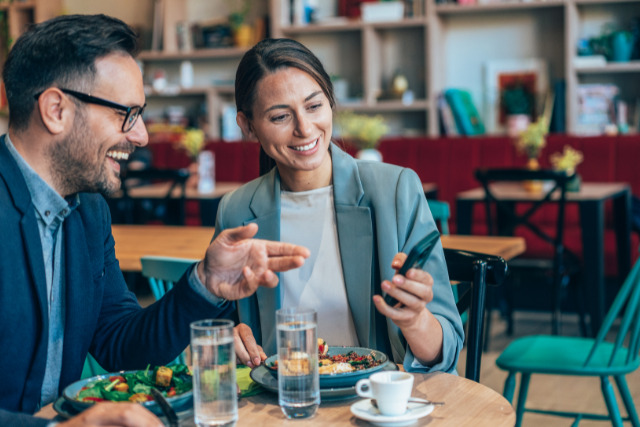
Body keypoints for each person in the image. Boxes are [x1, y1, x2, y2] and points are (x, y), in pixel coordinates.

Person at [0, 15, 309, 427]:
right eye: (126, 113)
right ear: (56, 110)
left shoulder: (88, 212)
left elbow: (121, 343)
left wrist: (203, 282)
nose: (142, 135)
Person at [214, 38, 464, 373]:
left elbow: (445, 352)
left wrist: (416, 319)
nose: (305, 129)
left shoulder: (395, 190)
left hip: (375, 404)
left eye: (314, 106)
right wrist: (229, 339)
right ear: (247, 126)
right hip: (286, 404)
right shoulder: (237, 211)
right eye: (280, 117)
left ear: (330, 102)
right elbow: (222, 335)